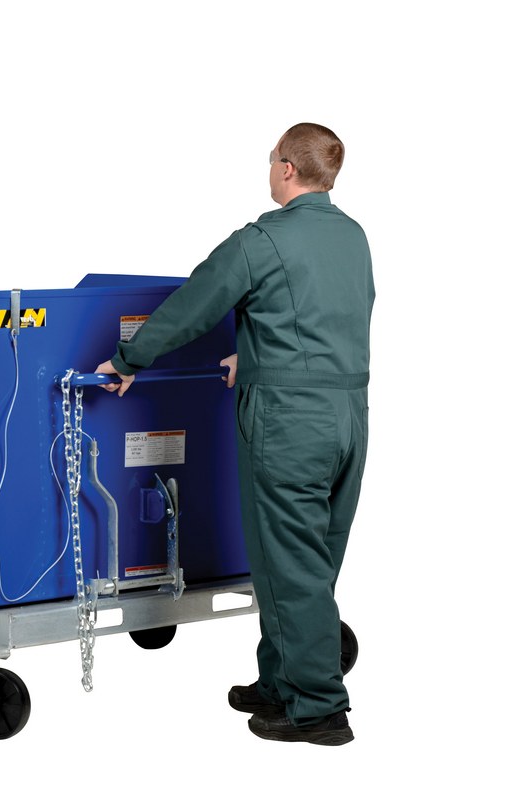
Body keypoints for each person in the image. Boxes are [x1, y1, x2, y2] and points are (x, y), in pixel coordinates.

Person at [94, 123, 373, 745]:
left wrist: (129, 359)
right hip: (348, 417)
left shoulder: (262, 240)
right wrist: (256, 354)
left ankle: (319, 709)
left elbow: (193, 305)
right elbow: (332, 318)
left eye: (272, 159)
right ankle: (282, 683)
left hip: (290, 422)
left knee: (288, 563)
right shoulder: (353, 237)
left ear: (286, 168)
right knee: (309, 560)